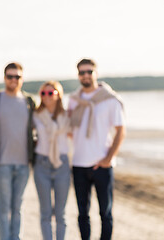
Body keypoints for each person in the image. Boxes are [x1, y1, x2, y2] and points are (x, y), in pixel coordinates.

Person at [68, 59, 126, 240]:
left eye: (89, 72)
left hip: (102, 165)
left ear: (96, 73)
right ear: (78, 75)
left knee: (105, 213)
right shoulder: (73, 100)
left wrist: (108, 158)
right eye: (82, 72)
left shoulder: (109, 99)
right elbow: (70, 130)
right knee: (82, 213)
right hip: (78, 163)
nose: (85, 75)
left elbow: (120, 131)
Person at [0, 62, 36, 240]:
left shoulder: (30, 102)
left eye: (17, 77)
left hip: (24, 164)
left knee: (18, 207)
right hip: (1, 164)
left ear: (22, 79)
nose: (13, 80)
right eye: (10, 76)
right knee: (4, 207)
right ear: (4, 78)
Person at [33, 81, 70, 240]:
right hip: (42, 164)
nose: (46, 96)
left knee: (61, 213)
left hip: (62, 164)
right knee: (45, 212)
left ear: (58, 94)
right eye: (43, 93)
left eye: (50, 93)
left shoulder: (67, 115)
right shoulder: (35, 115)